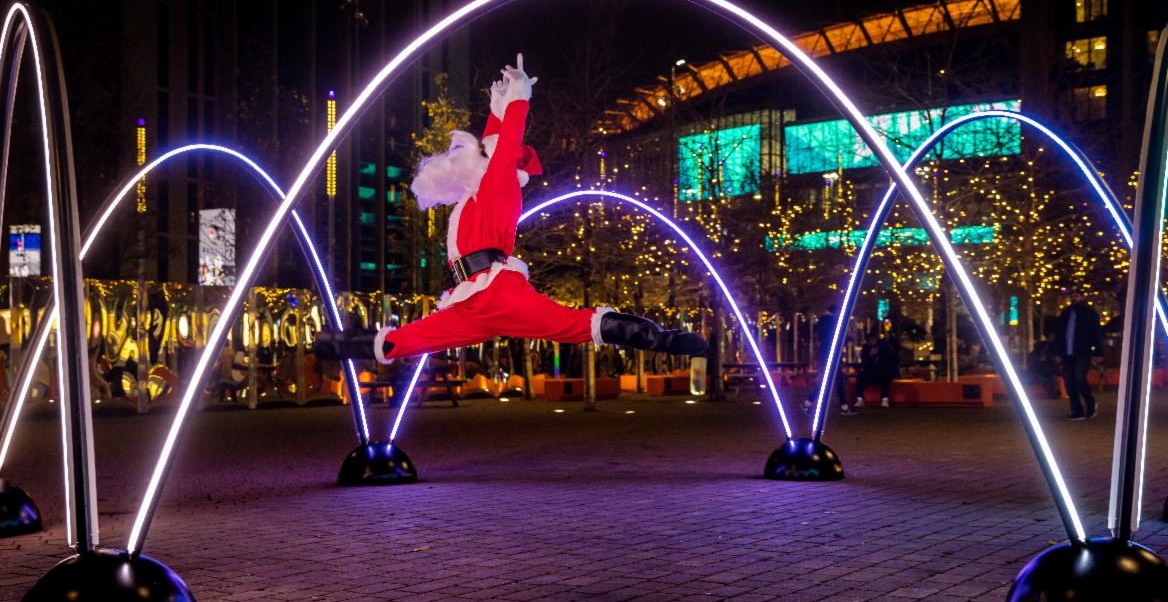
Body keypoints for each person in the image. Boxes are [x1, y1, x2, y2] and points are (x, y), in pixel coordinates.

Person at [316, 54, 706, 364]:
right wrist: (498, 105)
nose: (468, 153)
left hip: (498, 292)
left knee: (578, 325)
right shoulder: (474, 193)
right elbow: (494, 143)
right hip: (471, 299)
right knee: (412, 339)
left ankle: (665, 340)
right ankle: (338, 346)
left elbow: (502, 148)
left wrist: (517, 100)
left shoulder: (497, 184)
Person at [1055, 289, 1102, 419]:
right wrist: (1058, 352)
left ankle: (1090, 403)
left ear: (1082, 297)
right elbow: (1059, 334)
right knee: (1069, 381)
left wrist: (1098, 352)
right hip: (1067, 352)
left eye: (1076, 296)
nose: (1074, 299)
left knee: (1079, 378)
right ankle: (1077, 410)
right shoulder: (1066, 313)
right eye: (1072, 296)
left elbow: (1096, 333)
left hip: (1082, 351)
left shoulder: (1089, 313)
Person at [803, 305, 854, 416]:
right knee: (835, 380)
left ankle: (809, 403)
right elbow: (837, 337)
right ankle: (843, 407)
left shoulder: (822, 321)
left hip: (826, 354)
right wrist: (848, 338)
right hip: (832, 355)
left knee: (830, 381)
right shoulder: (833, 321)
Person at [854, 332, 899, 408]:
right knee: (860, 377)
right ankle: (860, 399)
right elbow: (865, 363)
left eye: (872, 340)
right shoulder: (865, 348)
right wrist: (870, 356)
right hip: (871, 372)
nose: (871, 342)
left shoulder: (884, 346)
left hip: (884, 371)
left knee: (884, 376)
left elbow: (892, 359)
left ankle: (885, 399)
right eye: (869, 341)